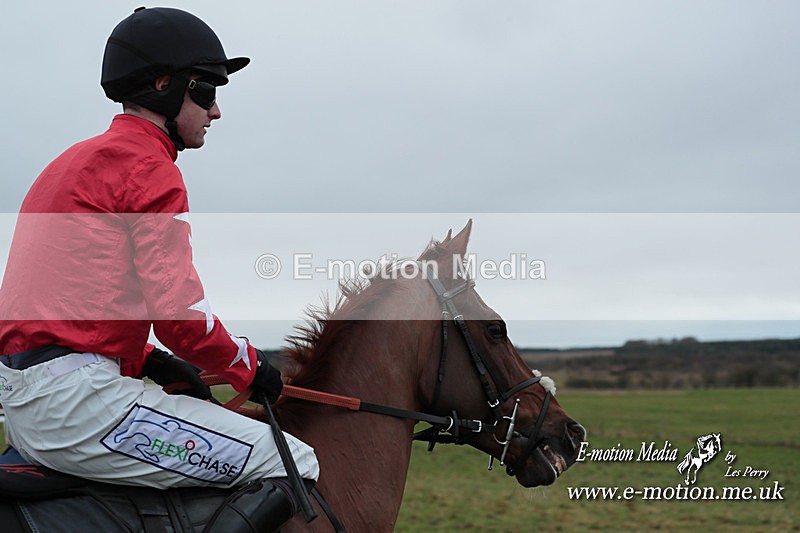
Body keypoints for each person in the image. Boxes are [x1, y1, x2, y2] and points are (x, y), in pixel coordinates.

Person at [0, 6, 318, 528]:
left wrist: (149, 359)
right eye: (208, 92)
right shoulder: (150, 169)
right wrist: (249, 365)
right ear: (166, 86)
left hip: (30, 402)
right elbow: (180, 314)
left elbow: (63, 306)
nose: (216, 112)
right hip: (80, 408)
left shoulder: (70, 162)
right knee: (294, 461)